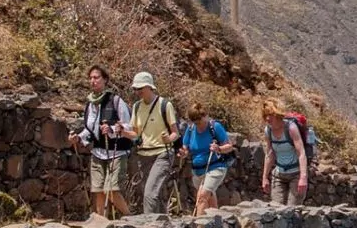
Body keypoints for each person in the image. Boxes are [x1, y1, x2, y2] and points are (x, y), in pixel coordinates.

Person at [69, 65, 134, 218]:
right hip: (98, 151)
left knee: (111, 189)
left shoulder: (116, 101)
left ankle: (130, 217)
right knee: (98, 190)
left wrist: (111, 129)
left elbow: (128, 125)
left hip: (116, 152)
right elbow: (89, 129)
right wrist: (78, 138)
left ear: (105, 80)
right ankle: (101, 224)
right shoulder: (90, 104)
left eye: (96, 77)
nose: (93, 81)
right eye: (91, 78)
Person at [128, 71, 183, 215]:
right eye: (136, 89)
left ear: (149, 87)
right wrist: (122, 132)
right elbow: (135, 134)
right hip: (143, 155)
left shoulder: (165, 105)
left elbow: (175, 133)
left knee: (150, 194)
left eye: (140, 88)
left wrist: (168, 139)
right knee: (154, 195)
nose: (138, 91)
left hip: (162, 154)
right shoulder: (136, 107)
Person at [178, 105, 235, 215]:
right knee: (210, 199)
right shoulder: (190, 129)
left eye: (199, 122)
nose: (198, 125)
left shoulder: (215, 127)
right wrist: (183, 153)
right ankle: (218, 225)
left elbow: (229, 146)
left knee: (202, 197)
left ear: (205, 116)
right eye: (195, 122)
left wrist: (218, 148)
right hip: (198, 171)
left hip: (215, 167)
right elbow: (186, 148)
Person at [259, 98, 310, 206]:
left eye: (271, 114)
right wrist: (265, 178)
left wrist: (303, 178)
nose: (268, 118)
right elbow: (269, 154)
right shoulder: (268, 130)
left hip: (296, 174)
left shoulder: (291, 128)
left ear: (278, 114)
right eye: (265, 115)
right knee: (276, 211)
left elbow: (301, 153)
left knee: (293, 211)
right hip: (279, 174)